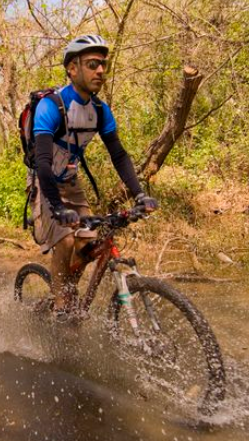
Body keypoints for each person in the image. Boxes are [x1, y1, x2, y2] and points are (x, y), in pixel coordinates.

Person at [31, 34, 158, 318]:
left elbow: (119, 155)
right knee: (64, 240)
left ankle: (66, 285)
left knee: (88, 242)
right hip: (45, 182)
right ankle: (62, 306)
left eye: (103, 65)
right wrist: (58, 207)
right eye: (92, 64)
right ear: (72, 69)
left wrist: (139, 194)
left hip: (71, 181)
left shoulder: (100, 110)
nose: (100, 70)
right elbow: (42, 162)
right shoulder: (51, 106)